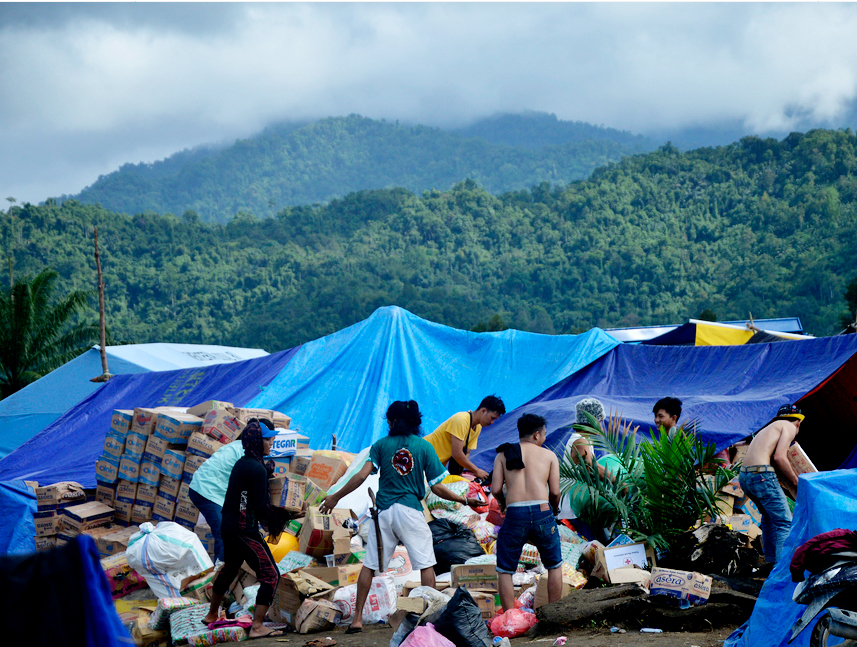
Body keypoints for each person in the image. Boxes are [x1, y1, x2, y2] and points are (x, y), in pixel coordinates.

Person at [319, 400, 483, 634]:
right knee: (426, 564)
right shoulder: (424, 447)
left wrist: (335, 496)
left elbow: (361, 476)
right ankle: (428, 619)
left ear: (390, 422)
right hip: (410, 512)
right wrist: (465, 500)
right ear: (416, 423)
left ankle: (356, 620)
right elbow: (437, 487)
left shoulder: (380, 445)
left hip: (383, 512)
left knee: (370, 565)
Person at [203, 420, 287, 639]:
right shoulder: (257, 469)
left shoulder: (243, 463)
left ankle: (212, 614)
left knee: (230, 568)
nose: (272, 443)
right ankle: (257, 627)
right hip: (244, 531)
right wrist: (285, 515)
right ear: (258, 441)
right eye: (268, 439)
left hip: (229, 526)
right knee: (271, 575)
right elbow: (259, 508)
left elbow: (246, 495)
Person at [492, 413, 562, 611]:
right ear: (537, 435)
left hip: (515, 514)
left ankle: (510, 618)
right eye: (545, 434)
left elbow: (496, 489)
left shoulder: (503, 454)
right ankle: (554, 614)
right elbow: (555, 492)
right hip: (542, 512)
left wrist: (503, 504)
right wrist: (554, 509)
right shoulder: (549, 455)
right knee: (554, 565)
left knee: (505, 569)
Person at [188, 418, 275, 564]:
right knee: (224, 534)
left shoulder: (241, 447)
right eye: (268, 439)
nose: (271, 443)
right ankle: (218, 575)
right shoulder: (245, 455)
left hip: (210, 489)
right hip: (208, 491)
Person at [738, 403, 804, 564]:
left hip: (745, 477)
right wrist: (796, 481)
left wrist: (794, 489)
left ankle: (770, 563)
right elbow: (780, 458)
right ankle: (782, 572)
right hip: (761, 475)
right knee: (784, 523)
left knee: (767, 518)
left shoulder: (768, 429)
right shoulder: (789, 426)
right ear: (798, 422)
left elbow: (775, 464)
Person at [423, 395, 506, 480]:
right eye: (492, 418)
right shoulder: (461, 420)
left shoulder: (477, 427)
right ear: (483, 411)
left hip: (434, 467)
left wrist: (459, 473)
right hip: (422, 458)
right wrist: (476, 470)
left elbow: (467, 452)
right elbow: (457, 454)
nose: (492, 422)